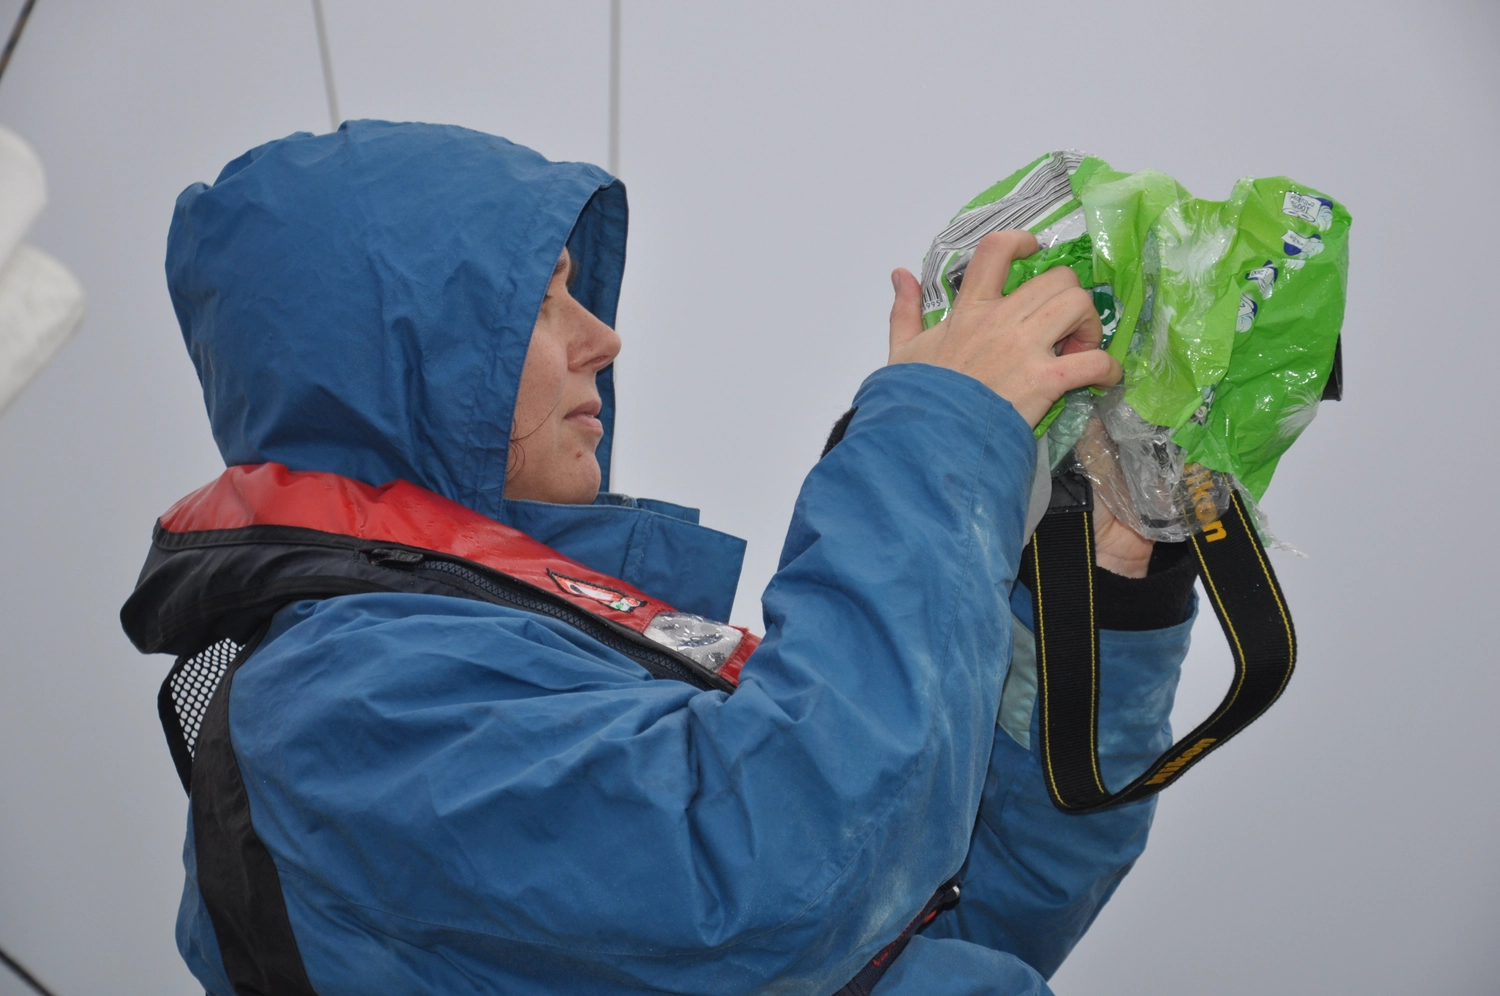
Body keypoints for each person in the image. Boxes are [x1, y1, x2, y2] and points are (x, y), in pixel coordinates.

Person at [123, 120, 1198, 995]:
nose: (603, 337)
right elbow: (790, 871)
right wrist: (941, 430)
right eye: (543, 303)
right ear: (408, 362)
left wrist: (1096, 583)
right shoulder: (339, 710)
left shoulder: (511, 660)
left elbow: (969, 912)